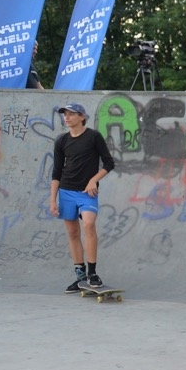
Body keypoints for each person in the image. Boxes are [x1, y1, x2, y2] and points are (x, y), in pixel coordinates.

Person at [49, 103, 116, 292]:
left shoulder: (93, 137)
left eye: (71, 114)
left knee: (88, 224)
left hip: (87, 193)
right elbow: (56, 172)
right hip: (66, 191)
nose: (67, 118)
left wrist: (93, 180)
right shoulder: (61, 141)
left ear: (82, 117)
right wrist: (53, 199)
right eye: (65, 114)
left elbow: (109, 163)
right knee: (72, 233)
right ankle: (80, 276)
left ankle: (93, 273)